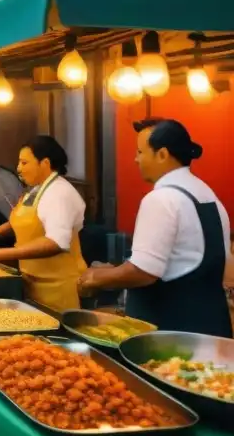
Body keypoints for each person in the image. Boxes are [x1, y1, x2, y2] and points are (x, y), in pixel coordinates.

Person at [79, 119, 233, 337]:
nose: (136, 159)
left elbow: (143, 272)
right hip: (212, 326)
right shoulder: (209, 196)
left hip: (171, 333)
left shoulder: (161, 198)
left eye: (140, 152)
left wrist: (95, 278)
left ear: (162, 154)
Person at [0, 135, 86, 312]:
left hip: (57, 289)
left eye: (24, 163)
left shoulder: (58, 194)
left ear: (45, 163)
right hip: (32, 282)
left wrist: (8, 253)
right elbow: (21, 220)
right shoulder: (37, 189)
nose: (18, 169)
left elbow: (56, 243)